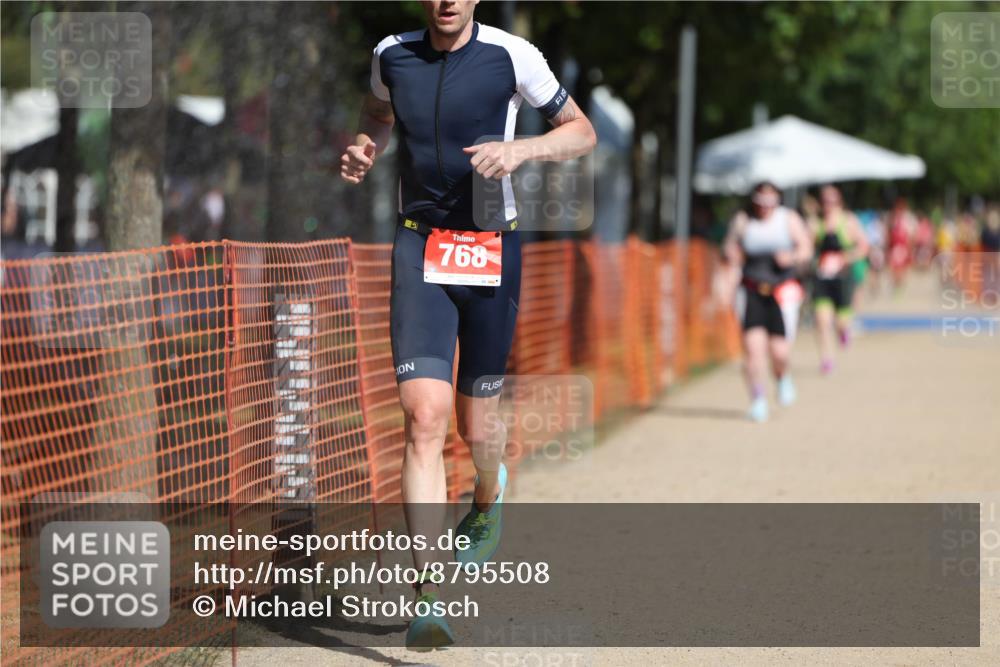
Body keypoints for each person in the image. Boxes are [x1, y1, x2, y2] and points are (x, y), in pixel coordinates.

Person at [340, 0, 596, 650]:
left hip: (490, 247)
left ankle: (488, 494)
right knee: (422, 418)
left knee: (475, 425)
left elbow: (580, 130)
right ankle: (427, 597)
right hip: (418, 245)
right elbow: (377, 111)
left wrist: (523, 149)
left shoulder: (514, 56)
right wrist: (365, 145)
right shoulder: (390, 54)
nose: (447, 0)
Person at [723, 182, 813, 423]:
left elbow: (806, 248)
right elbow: (730, 251)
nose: (764, 208)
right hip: (751, 291)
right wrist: (730, 269)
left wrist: (791, 257)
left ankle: (782, 378)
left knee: (780, 352)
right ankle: (758, 400)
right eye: (760, 202)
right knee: (753, 352)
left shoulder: (788, 219)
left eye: (770, 202)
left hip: (781, 292)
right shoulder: (744, 221)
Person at [811, 185, 869, 374]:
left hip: (843, 278)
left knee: (841, 322)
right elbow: (807, 246)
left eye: (832, 201)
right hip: (822, 278)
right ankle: (827, 359)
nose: (828, 205)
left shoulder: (849, 221)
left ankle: (844, 331)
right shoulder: (815, 223)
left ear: (839, 202)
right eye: (825, 201)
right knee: (821, 321)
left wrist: (847, 257)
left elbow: (863, 246)